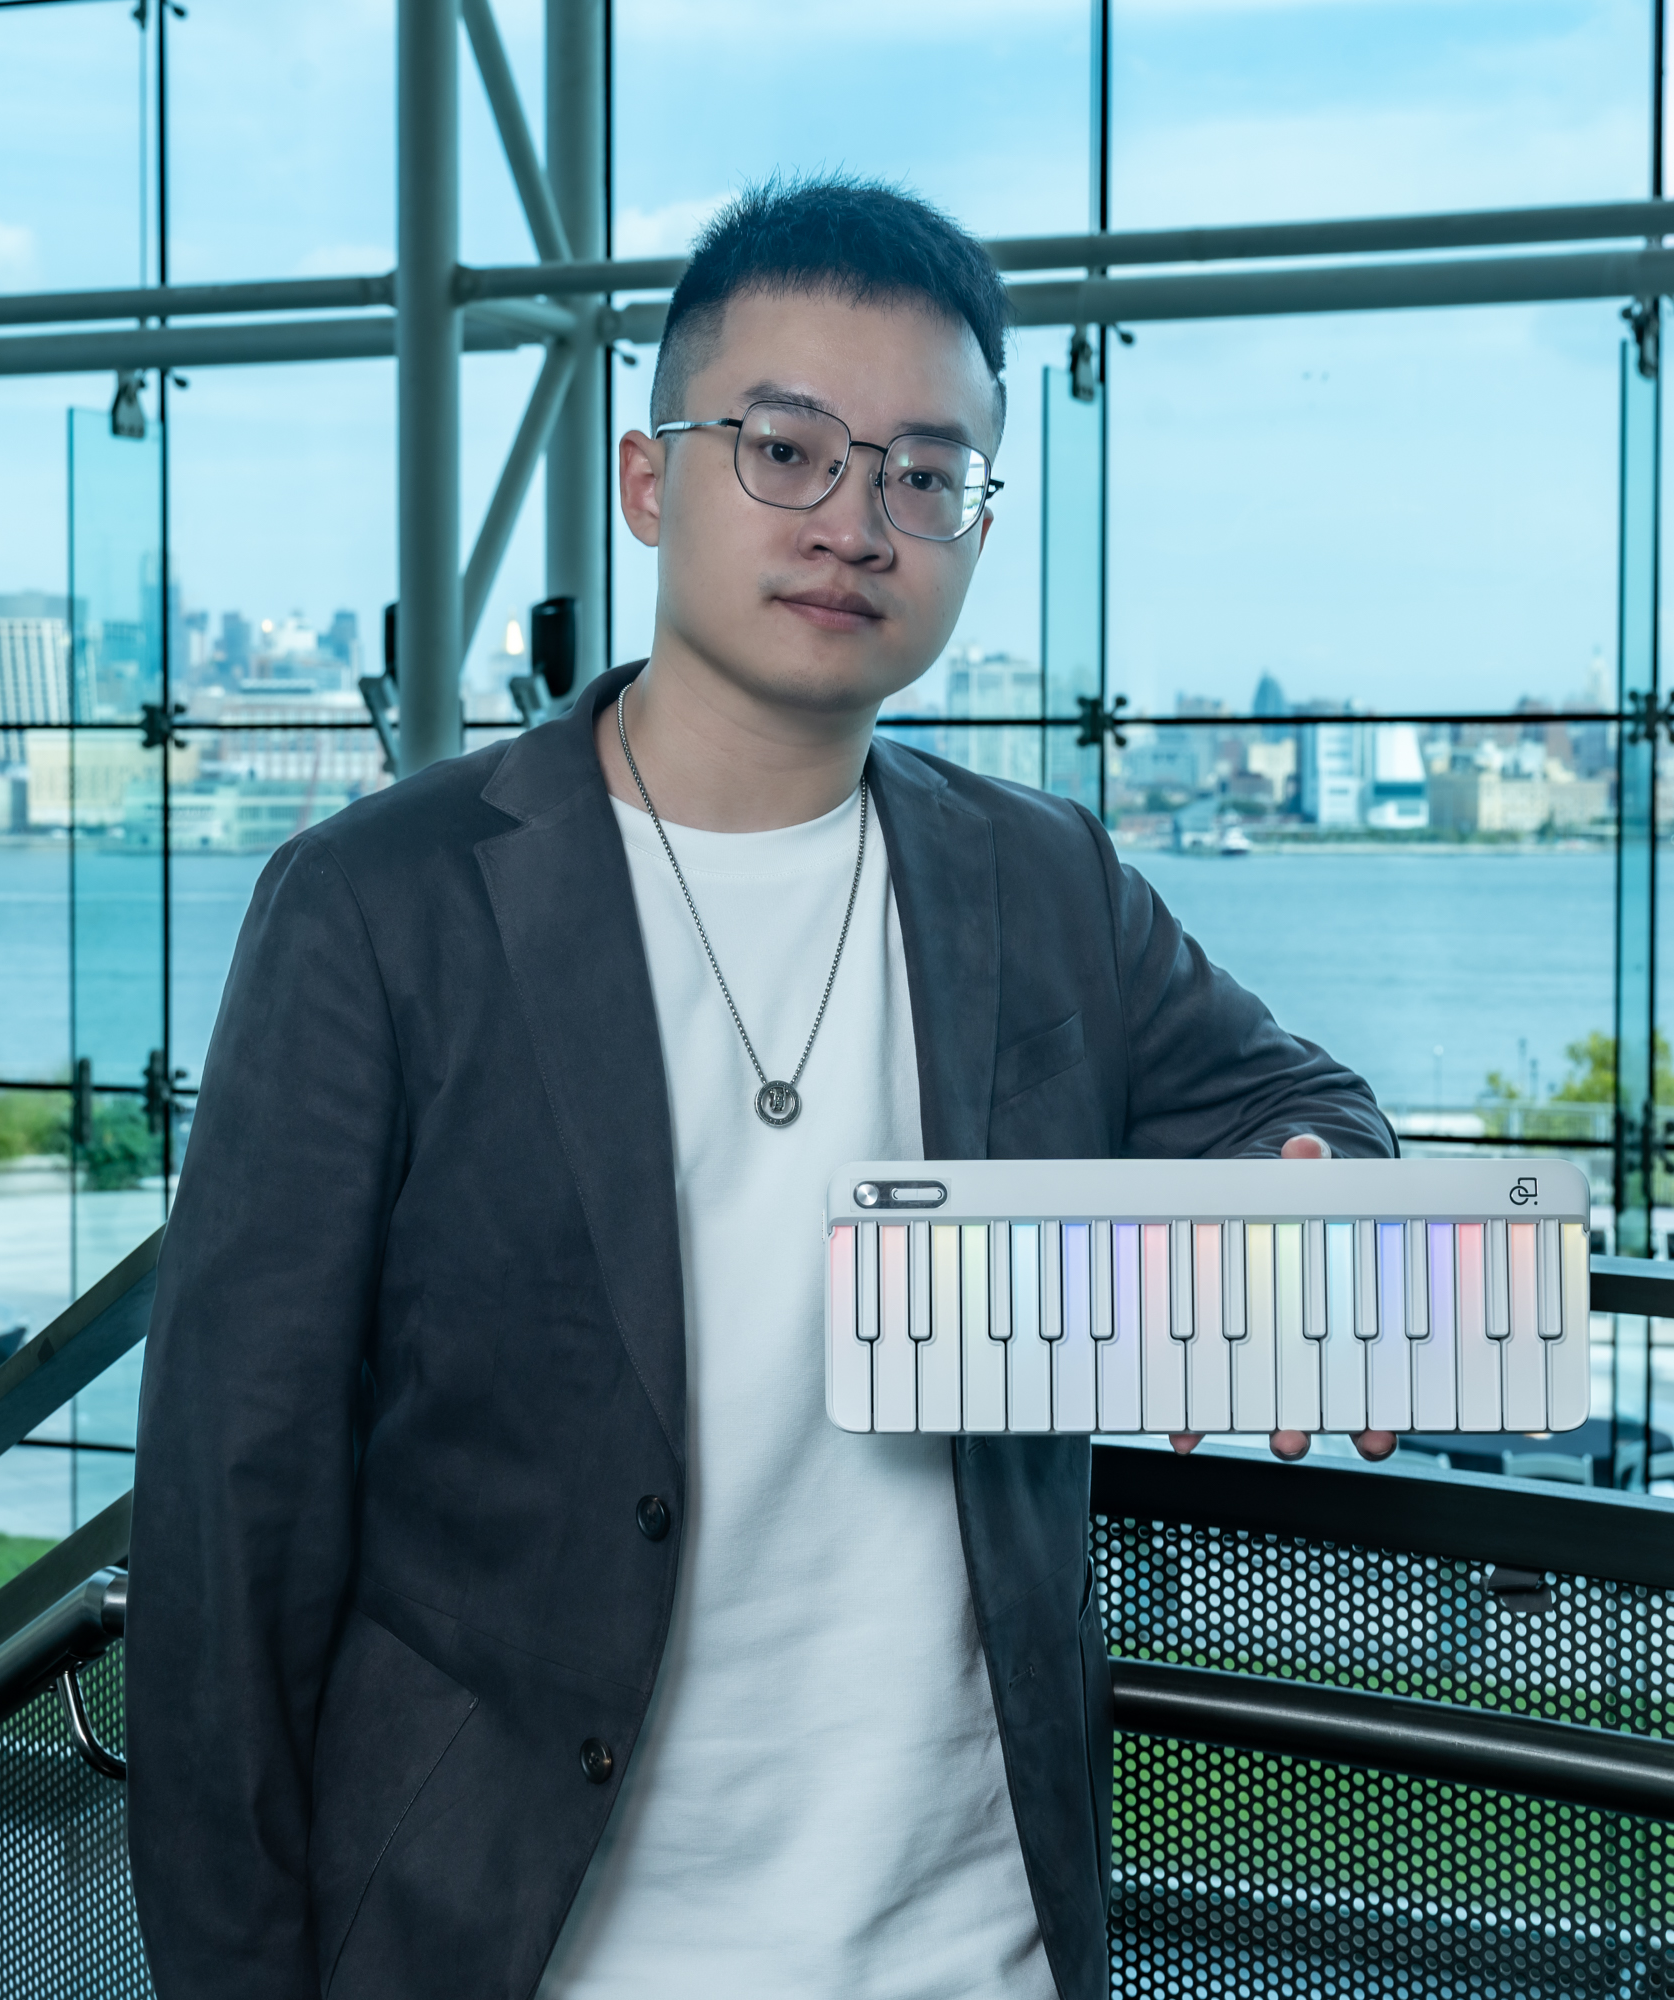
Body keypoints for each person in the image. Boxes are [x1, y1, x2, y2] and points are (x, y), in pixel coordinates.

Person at [125, 176, 1394, 2000]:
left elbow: (1311, 1111)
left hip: (978, 1947)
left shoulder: (1042, 884)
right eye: (787, 447)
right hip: (524, 1947)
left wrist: (1305, 1205)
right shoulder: (377, 907)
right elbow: (230, 1531)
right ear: (654, 481)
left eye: (925, 475)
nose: (858, 523)